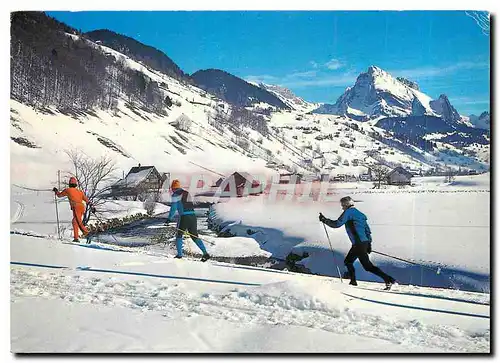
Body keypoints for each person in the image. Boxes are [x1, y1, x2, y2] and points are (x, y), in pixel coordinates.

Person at [319, 196, 396, 288]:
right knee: (348, 261)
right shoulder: (360, 214)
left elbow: (337, 224)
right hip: (362, 243)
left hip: (358, 244)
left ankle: (388, 279)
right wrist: (369, 244)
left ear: (346, 204)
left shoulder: (348, 212)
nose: (342, 207)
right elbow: (367, 230)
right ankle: (353, 281)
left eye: (342, 205)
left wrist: (324, 220)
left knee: (367, 266)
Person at [165, 179, 210, 262]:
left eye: (172, 189)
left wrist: (169, 219)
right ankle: (205, 253)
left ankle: (179, 255)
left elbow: (174, 208)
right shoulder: (186, 193)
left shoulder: (175, 195)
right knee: (194, 236)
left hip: (184, 217)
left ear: (173, 188)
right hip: (193, 216)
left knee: (179, 235)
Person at [53, 177, 95, 242]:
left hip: (76, 206)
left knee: (78, 222)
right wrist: (91, 206)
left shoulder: (68, 190)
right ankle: (76, 238)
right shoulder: (79, 191)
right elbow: (86, 200)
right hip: (81, 207)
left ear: (69, 184)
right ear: (75, 184)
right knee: (75, 222)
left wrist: (56, 191)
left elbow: (59, 195)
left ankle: (87, 234)